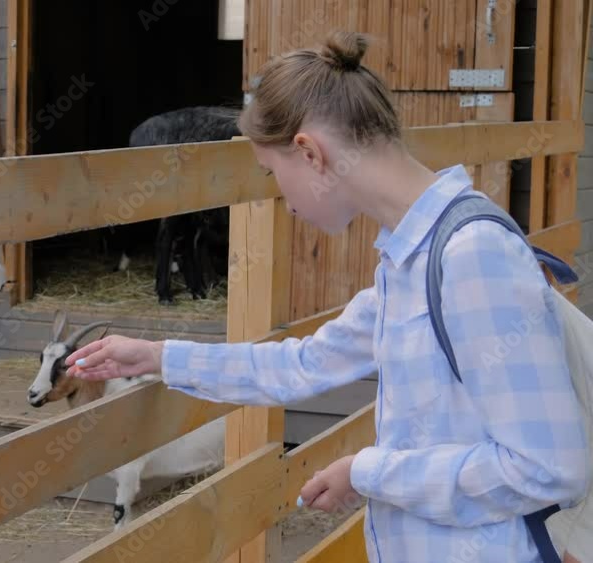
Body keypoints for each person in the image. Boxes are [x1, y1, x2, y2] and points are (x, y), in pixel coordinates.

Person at [65, 31, 590, 563]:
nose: (283, 202)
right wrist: (160, 357)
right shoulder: (409, 260)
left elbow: (546, 466)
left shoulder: (472, 257)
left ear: (310, 153)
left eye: (274, 175)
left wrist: (370, 472)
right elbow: (304, 363)